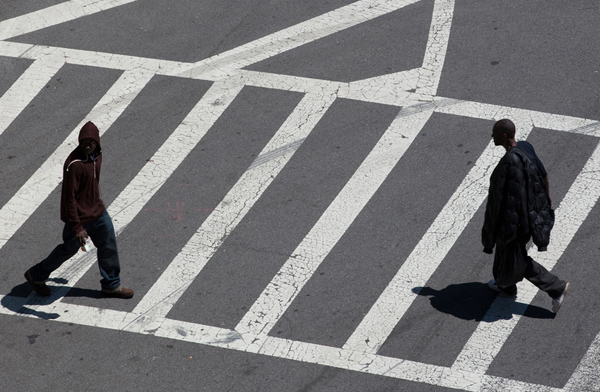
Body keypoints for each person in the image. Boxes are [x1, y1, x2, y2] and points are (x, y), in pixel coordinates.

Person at [24, 121, 134, 299]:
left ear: (97, 142)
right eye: (84, 142)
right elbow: (69, 199)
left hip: (98, 213)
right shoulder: (74, 164)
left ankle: (111, 285)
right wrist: (77, 227)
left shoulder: (97, 155)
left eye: (91, 142)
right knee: (67, 250)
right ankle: (36, 274)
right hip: (79, 219)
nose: (88, 145)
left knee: (108, 245)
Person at [482, 119, 568, 313]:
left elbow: (502, 201)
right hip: (529, 215)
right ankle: (505, 286)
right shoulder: (526, 147)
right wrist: (546, 200)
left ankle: (556, 288)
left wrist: (494, 227)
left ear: (504, 136)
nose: (492, 136)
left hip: (515, 223)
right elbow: (543, 174)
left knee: (519, 260)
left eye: (495, 133)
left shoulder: (509, 163)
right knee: (506, 253)